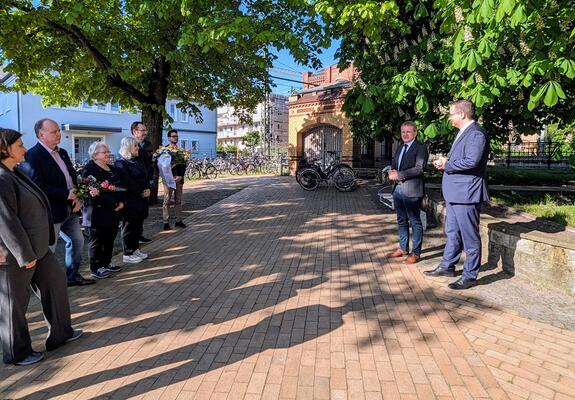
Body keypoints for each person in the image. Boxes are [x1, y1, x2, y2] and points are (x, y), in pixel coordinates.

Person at [0, 128, 82, 366]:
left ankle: (61, 333)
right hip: (17, 253)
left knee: (56, 284)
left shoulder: (15, 172)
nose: (24, 149)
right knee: (14, 304)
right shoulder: (2, 178)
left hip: (38, 248)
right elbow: (6, 221)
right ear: (4, 150)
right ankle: (17, 353)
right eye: (19, 145)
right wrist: (24, 254)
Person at [21, 119, 94, 287]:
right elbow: (37, 186)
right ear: (41, 134)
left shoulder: (62, 152)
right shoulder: (32, 156)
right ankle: (41, 284)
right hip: (51, 212)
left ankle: (72, 276)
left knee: (77, 242)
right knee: (48, 250)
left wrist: (77, 197)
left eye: (58, 131)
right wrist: (66, 195)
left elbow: (71, 177)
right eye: (54, 132)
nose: (58, 134)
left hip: (70, 208)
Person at [424, 100, 489, 290]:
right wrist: (446, 162)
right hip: (455, 193)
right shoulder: (464, 133)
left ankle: (470, 275)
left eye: (451, 113)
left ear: (462, 114)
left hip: (466, 193)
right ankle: (447, 266)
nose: (449, 117)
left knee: (470, 236)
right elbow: (463, 160)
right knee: (452, 233)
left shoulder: (476, 133)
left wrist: (447, 165)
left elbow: (472, 161)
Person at [386, 121, 429, 265]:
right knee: (401, 220)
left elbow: (419, 168)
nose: (405, 134)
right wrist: (392, 171)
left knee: (415, 221)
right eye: (403, 132)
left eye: (408, 132)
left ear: (415, 133)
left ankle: (416, 253)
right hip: (397, 189)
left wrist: (400, 174)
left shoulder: (421, 148)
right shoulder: (400, 147)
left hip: (412, 190)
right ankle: (403, 248)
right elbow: (394, 164)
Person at [81, 142, 125, 279]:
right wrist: (113, 203)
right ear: (95, 155)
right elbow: (93, 191)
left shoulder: (112, 168)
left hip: (113, 210)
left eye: (108, 151)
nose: (108, 154)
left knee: (109, 238)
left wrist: (122, 202)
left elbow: (120, 186)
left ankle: (107, 262)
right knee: (97, 241)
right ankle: (96, 267)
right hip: (97, 211)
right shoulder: (90, 169)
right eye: (104, 152)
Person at [114, 137, 150, 264]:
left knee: (137, 225)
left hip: (140, 199)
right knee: (129, 226)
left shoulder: (136, 161)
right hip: (130, 200)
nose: (138, 148)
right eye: (135, 146)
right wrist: (141, 190)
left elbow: (145, 177)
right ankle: (127, 252)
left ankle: (135, 249)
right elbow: (127, 182)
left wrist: (148, 188)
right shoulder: (121, 163)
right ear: (128, 147)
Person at [130, 121, 154, 243]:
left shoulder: (145, 146)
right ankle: (133, 241)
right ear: (135, 131)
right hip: (135, 187)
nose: (145, 132)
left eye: (146, 130)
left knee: (142, 212)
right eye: (143, 130)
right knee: (134, 215)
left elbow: (148, 165)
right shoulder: (130, 146)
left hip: (144, 184)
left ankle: (139, 234)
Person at [161, 129, 187, 230]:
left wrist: (180, 176)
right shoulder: (164, 150)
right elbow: (161, 165)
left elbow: (184, 165)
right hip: (168, 179)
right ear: (169, 138)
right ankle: (166, 222)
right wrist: (169, 174)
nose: (175, 138)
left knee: (178, 200)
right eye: (173, 136)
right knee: (167, 200)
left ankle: (178, 220)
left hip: (179, 179)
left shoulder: (181, 150)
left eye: (176, 136)